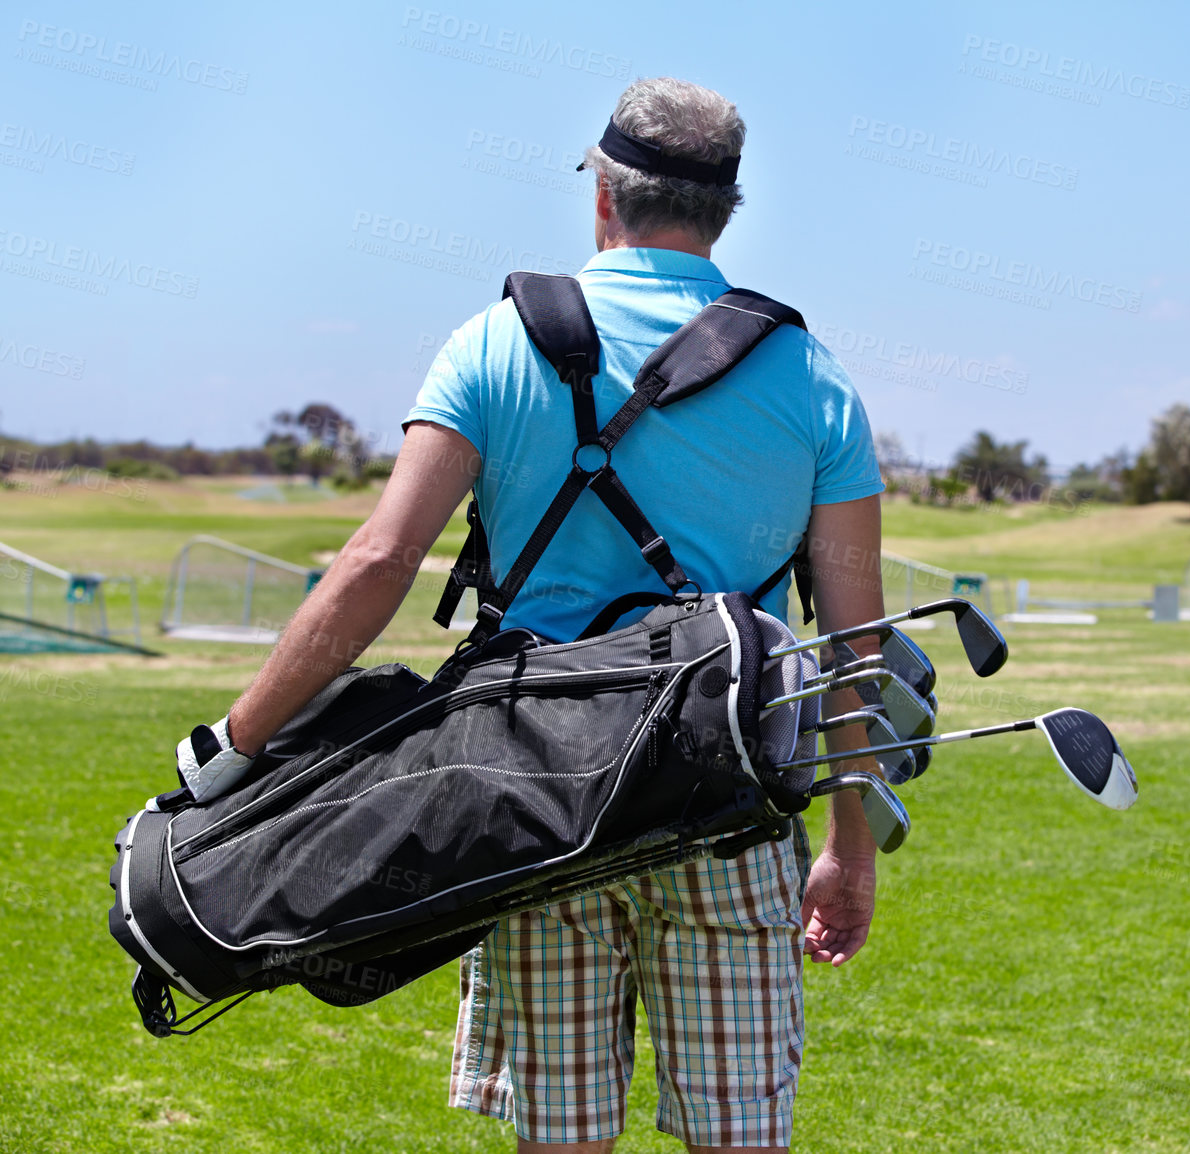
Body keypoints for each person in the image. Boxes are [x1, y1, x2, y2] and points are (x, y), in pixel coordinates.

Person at [210, 77, 887, 1152]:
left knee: (559, 1137)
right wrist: (850, 843)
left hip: (535, 802)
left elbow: (379, 558)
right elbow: (856, 647)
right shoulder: (813, 380)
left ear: (603, 196)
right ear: (725, 209)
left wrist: (233, 744)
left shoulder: (490, 344)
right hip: (727, 809)